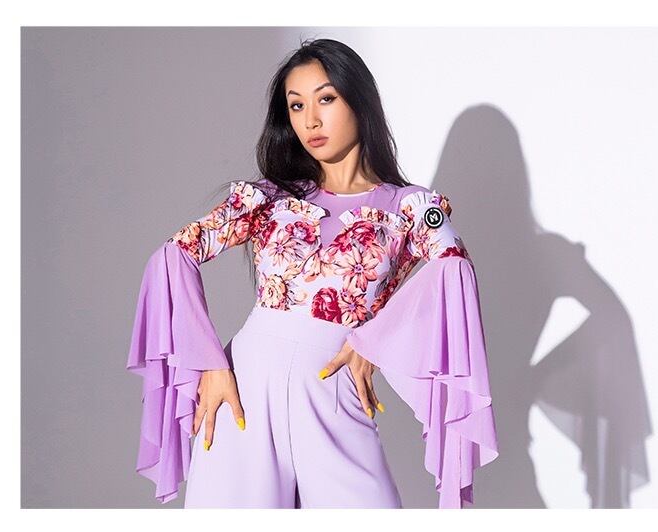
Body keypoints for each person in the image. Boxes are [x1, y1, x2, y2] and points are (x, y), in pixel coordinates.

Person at [126, 38, 499, 509]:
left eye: (326, 99)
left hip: (332, 391)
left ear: (359, 101)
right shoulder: (268, 198)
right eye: (297, 105)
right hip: (243, 390)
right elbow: (175, 254)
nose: (310, 121)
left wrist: (374, 341)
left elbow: (454, 271)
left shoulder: (410, 207)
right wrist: (210, 365)